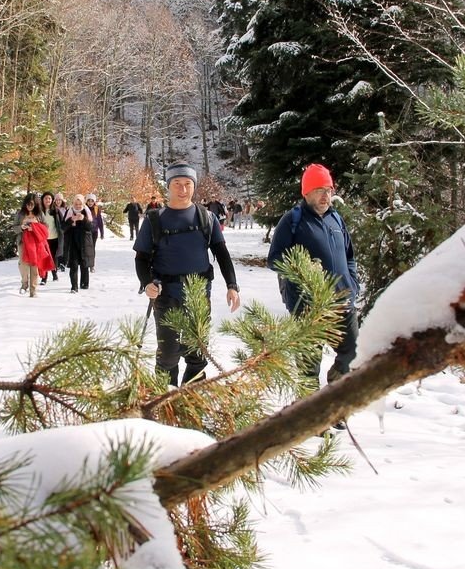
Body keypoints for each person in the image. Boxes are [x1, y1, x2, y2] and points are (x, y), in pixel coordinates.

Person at [134, 161, 241, 387]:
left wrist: (232, 285)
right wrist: (147, 282)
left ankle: (192, 396)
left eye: (187, 184)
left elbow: (222, 253)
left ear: (194, 186)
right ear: (168, 186)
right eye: (177, 183)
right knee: (168, 354)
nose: (182, 189)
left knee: (197, 352)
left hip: (198, 294)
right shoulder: (154, 219)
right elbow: (141, 258)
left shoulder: (206, 218)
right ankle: (165, 398)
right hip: (166, 294)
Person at [267, 163, 360, 402]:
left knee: (352, 352)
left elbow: (349, 256)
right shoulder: (293, 220)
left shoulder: (336, 219)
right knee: (309, 365)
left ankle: (333, 400)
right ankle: (308, 410)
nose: (325, 195)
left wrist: (352, 285)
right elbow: (274, 259)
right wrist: (302, 270)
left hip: (341, 301)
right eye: (319, 190)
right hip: (307, 305)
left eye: (328, 190)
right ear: (306, 192)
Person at [12, 194, 54, 297]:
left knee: (34, 265)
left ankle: (33, 290)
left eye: (32, 204)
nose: (29, 206)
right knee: (23, 264)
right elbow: (14, 228)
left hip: (36, 243)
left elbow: (46, 226)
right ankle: (24, 284)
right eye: (28, 204)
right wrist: (21, 227)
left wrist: (35, 227)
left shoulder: (39, 213)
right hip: (23, 242)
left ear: (35, 204)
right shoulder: (20, 213)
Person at [62, 194, 94, 292]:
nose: (78, 206)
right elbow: (63, 227)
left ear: (83, 204)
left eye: (80, 204)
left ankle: (84, 284)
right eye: (76, 204)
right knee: (74, 265)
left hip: (84, 242)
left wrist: (83, 219)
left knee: (84, 264)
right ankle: (74, 286)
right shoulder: (69, 212)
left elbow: (91, 227)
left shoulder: (86, 212)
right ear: (73, 204)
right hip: (72, 242)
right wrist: (71, 220)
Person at [39, 192, 62, 284]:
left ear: (52, 200)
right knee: (44, 257)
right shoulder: (39, 211)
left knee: (53, 257)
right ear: (42, 200)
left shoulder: (56, 211)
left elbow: (62, 223)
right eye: (46, 198)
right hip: (43, 239)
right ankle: (44, 277)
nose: (48, 200)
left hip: (54, 238)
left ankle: (54, 273)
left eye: (49, 198)